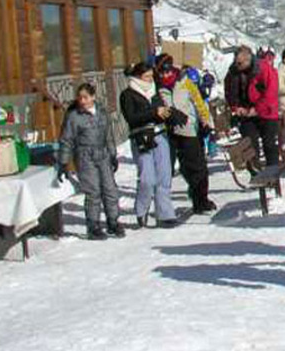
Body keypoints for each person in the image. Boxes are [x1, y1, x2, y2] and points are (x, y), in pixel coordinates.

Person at [58, 83, 124, 239]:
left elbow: (108, 135)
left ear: (93, 97)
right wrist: (63, 161)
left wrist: (113, 154)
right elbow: (67, 140)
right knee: (93, 191)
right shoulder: (74, 116)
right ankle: (93, 225)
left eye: (85, 97)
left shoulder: (102, 113)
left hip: (102, 154)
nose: (82, 101)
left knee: (110, 189)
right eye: (80, 98)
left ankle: (113, 221)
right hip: (85, 156)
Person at [120, 62, 179, 228]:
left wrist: (170, 115)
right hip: (141, 138)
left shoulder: (155, 92)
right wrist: (154, 113)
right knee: (147, 178)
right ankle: (141, 209)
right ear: (138, 77)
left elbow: (161, 111)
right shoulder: (128, 94)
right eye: (146, 77)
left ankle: (165, 214)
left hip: (160, 135)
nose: (150, 79)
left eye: (151, 76)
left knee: (164, 175)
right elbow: (131, 117)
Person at [157, 56, 216, 214]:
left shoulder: (185, 83)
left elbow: (198, 101)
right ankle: (194, 196)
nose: (165, 76)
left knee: (198, 167)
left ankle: (200, 200)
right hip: (170, 132)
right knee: (184, 168)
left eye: (167, 72)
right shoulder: (159, 88)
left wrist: (206, 121)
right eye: (161, 73)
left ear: (173, 70)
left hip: (189, 130)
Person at [224, 46, 281, 168]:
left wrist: (257, 110)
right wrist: (235, 107)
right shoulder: (233, 72)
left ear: (248, 59)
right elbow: (229, 91)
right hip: (245, 112)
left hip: (267, 111)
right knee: (249, 143)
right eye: (236, 62)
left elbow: (271, 93)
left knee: (269, 143)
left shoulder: (264, 69)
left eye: (240, 63)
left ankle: (273, 171)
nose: (237, 65)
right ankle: (255, 170)